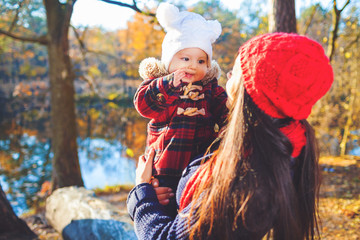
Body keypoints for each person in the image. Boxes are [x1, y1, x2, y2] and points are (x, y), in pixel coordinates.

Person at [127, 32, 334, 240]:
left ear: (252, 89)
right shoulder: (261, 142)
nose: (227, 77)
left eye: (235, 72)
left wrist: (142, 194)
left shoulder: (245, 181)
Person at [133, 3, 228, 216]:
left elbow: (227, 110)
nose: (193, 65)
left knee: (194, 216)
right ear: (169, 60)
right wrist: (168, 84)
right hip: (164, 168)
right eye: (185, 58)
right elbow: (144, 106)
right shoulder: (159, 84)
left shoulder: (210, 88)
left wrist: (229, 118)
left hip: (200, 167)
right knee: (163, 210)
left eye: (201, 60)